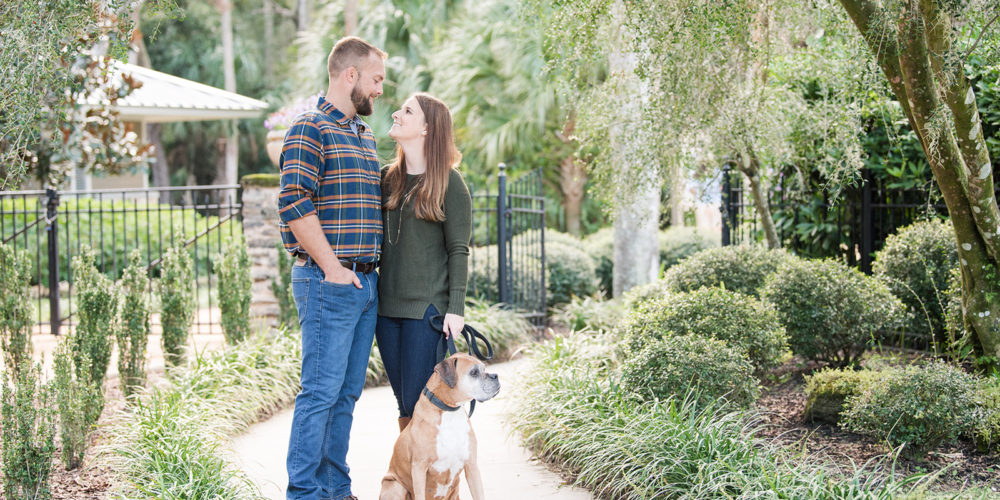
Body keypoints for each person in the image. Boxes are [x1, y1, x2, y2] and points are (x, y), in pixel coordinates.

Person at [277, 36, 386, 500]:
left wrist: (361, 277)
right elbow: (293, 202)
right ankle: (304, 493)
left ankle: (335, 490)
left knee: (344, 396)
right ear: (350, 75)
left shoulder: (364, 135)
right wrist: (334, 269)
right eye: (376, 79)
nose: (380, 89)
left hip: (365, 283)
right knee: (320, 393)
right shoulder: (309, 128)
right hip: (328, 281)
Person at [375, 93, 473, 431]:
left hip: (426, 313)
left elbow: (458, 250)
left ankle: (430, 482)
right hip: (386, 312)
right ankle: (415, 477)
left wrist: (456, 309)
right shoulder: (388, 178)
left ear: (427, 128)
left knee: (422, 402)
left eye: (406, 111)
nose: (397, 114)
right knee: (404, 401)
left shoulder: (451, 182)